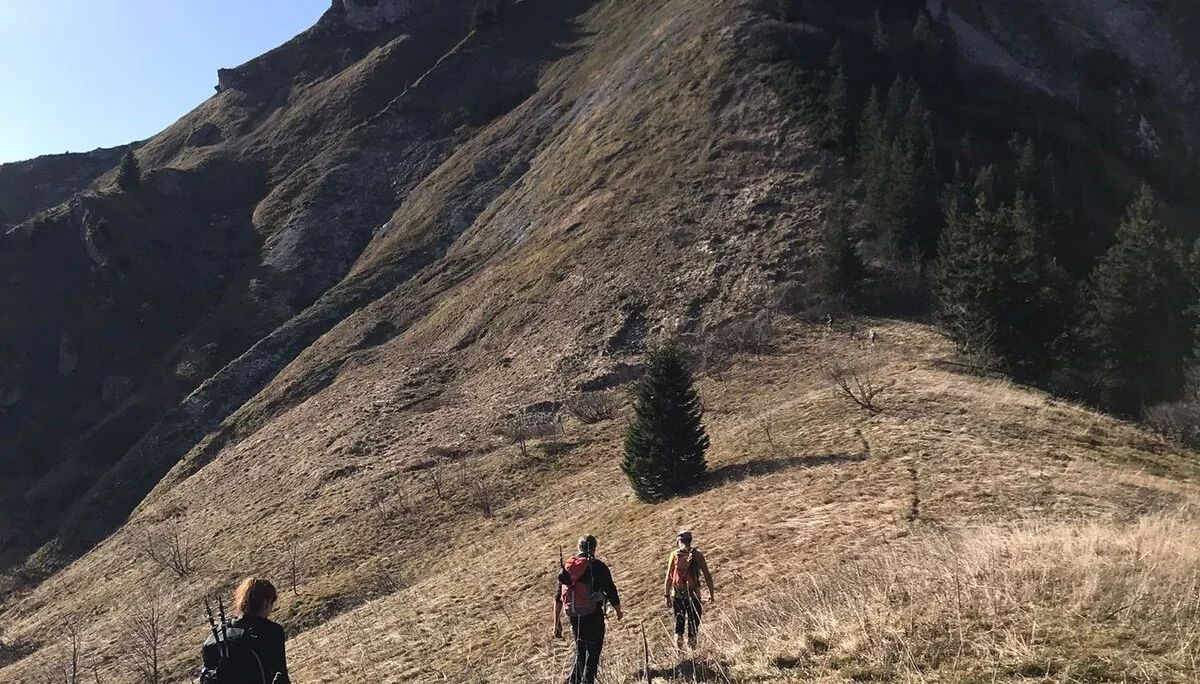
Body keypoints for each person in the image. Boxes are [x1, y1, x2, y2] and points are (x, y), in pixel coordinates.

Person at [553, 535, 623, 684]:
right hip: (593, 613)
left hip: (573, 613)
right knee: (593, 649)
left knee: (580, 649)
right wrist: (618, 610)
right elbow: (610, 589)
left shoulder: (568, 567)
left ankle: (574, 681)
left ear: (579, 547)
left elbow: (558, 597)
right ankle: (587, 681)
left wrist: (556, 622)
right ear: (594, 548)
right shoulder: (596, 566)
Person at [203, 577, 290, 684]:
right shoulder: (272, 631)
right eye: (272, 602)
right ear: (266, 602)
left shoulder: (224, 630)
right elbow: (281, 673)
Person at [663, 530, 714, 650]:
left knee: (678, 627)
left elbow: (668, 577)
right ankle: (693, 653)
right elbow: (707, 575)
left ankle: (680, 655)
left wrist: (666, 595)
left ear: (678, 541)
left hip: (678, 595)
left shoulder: (674, 555)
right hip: (694, 595)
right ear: (690, 541)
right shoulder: (697, 555)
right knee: (693, 627)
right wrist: (711, 593)